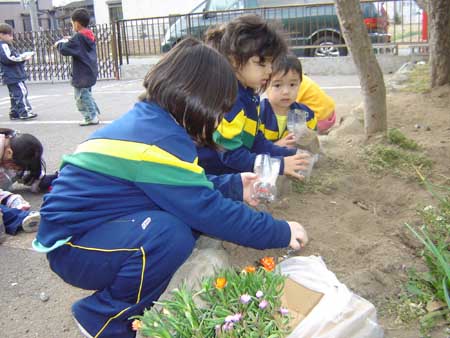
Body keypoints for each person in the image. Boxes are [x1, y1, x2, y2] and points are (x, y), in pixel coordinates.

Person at [32, 38, 308, 338]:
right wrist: (280, 230)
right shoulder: (158, 140)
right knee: (169, 234)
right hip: (73, 247)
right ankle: (103, 317)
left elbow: (181, 186)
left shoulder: (154, 123)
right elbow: (207, 211)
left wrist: (233, 185)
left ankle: (131, 288)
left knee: (175, 229)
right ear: (201, 101)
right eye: (218, 113)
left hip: (95, 229)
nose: (217, 123)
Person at [197, 15, 309, 180]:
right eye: (262, 63)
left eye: (271, 63)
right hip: (211, 175)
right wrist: (280, 164)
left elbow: (255, 141)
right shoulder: (228, 102)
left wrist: (288, 154)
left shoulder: (249, 95)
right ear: (235, 60)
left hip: (230, 169)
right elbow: (231, 156)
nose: (270, 70)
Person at [260, 54, 317, 148]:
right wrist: (276, 146)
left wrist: (305, 143)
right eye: (277, 85)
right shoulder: (258, 114)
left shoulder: (306, 114)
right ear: (265, 85)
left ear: (300, 84)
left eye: (292, 85)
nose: (286, 92)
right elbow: (251, 149)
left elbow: (312, 147)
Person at [54, 8, 100, 126]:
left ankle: (91, 116)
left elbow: (65, 49)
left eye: (72, 23)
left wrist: (59, 44)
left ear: (77, 23)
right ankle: (94, 113)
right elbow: (75, 45)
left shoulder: (79, 37)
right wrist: (69, 40)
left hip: (81, 73)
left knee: (81, 96)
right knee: (86, 93)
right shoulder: (89, 35)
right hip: (89, 70)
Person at [0, 23, 37, 120]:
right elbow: (8, 58)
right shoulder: (3, 45)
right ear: (1, 35)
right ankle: (25, 112)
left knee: (14, 95)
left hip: (9, 75)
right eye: (10, 35)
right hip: (14, 74)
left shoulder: (5, 45)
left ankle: (15, 112)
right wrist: (23, 57)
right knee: (21, 92)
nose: (12, 37)